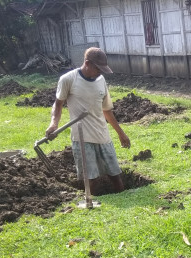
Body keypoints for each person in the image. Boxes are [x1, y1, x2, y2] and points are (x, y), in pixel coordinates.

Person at [46, 47, 130, 195]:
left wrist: (121, 134)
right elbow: (58, 104)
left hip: (102, 134)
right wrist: (54, 124)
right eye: (98, 68)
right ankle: (91, 203)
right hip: (82, 137)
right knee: (90, 179)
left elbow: (107, 110)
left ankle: (123, 196)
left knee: (115, 174)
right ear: (87, 63)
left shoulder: (100, 80)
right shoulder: (68, 79)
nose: (100, 72)